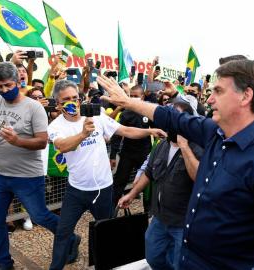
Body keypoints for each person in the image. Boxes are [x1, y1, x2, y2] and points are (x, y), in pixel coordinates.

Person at [97, 59, 254, 269]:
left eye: (219, 91)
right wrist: (128, 102)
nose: (210, 99)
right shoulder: (214, 133)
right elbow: (173, 118)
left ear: (245, 96)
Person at [47, 80, 166, 270]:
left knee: (105, 233)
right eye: (66, 100)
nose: (72, 103)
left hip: (103, 189)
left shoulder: (98, 114)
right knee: (62, 232)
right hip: (76, 190)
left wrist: (150, 131)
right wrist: (83, 134)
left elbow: (125, 130)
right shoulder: (55, 126)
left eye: (75, 98)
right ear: (58, 103)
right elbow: (62, 146)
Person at [0, 62, 59, 270]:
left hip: (28, 176)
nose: (4, 91)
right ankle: (3, 262)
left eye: (8, 85)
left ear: (19, 82)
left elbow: (41, 141)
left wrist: (17, 141)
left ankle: (69, 237)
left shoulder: (34, 106)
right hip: (0, 175)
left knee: (40, 216)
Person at [118, 98, 203, 270]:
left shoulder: (198, 147)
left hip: (183, 223)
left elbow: (199, 178)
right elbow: (149, 172)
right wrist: (132, 194)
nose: (167, 123)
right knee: (153, 257)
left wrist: (184, 147)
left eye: (173, 119)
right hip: (159, 218)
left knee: (180, 264)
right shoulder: (161, 145)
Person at [111, 85, 153, 209]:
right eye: (132, 96)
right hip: (127, 153)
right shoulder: (125, 114)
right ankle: (111, 212)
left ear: (142, 96)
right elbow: (117, 135)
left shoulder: (148, 111)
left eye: (136, 96)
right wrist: (113, 155)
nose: (134, 98)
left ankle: (148, 211)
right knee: (119, 182)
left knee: (147, 182)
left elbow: (158, 130)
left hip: (144, 153)